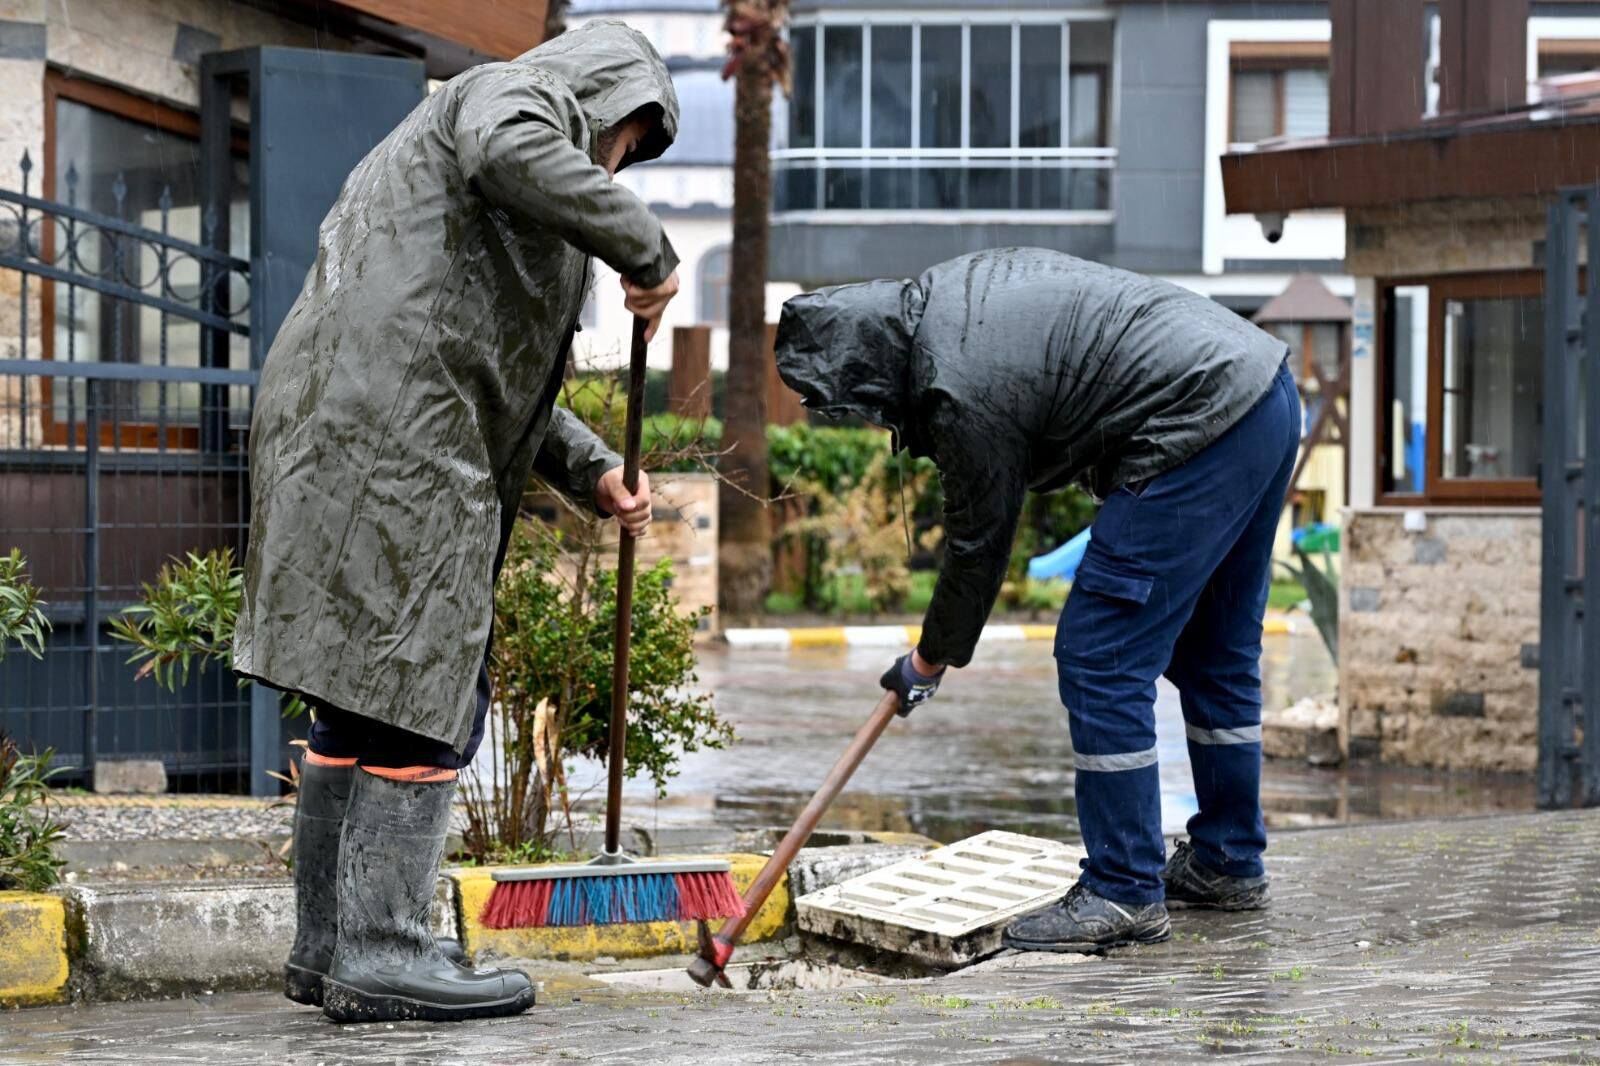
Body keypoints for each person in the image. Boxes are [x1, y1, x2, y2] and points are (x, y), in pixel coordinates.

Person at [233, 21, 681, 1022]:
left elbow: (488, 369)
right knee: (423, 695)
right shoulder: (505, 101)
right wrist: (644, 245)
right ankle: (382, 949)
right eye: (626, 142)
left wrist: (596, 468)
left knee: (358, 697)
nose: (612, 165)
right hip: (396, 448)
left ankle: (330, 947)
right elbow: (511, 149)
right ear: (601, 96)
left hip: (361, 429)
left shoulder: (478, 155)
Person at [773, 247, 1299, 954]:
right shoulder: (947, 299)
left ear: (869, 370)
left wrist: (928, 662)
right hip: (1263, 392)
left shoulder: (952, 382)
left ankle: (1122, 889)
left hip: (1197, 417)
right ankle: (1229, 861)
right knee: (1215, 654)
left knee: (1101, 655)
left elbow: (978, 543)